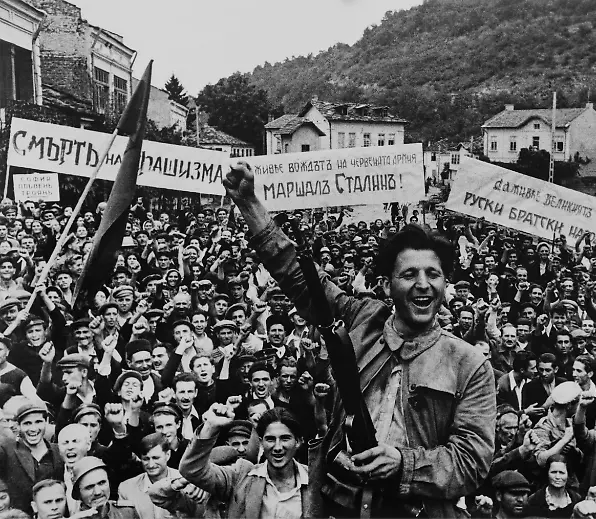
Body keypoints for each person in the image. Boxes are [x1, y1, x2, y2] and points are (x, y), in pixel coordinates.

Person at [222, 161, 496, 517]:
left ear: (446, 284)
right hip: (337, 506)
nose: (423, 284)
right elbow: (299, 276)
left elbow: (471, 462)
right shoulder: (361, 319)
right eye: (409, 274)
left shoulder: (469, 364)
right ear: (386, 285)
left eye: (434, 274)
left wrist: (403, 463)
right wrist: (249, 205)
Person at [180, 405, 309, 519]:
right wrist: (210, 427)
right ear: (261, 442)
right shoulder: (241, 476)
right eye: (270, 439)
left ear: (298, 442)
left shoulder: (312, 481)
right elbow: (192, 469)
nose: (277, 447)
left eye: (285, 439)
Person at [71, 457, 138, 519]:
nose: (98, 492)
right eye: (89, 487)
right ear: (78, 492)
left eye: (102, 483)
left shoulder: (127, 513)